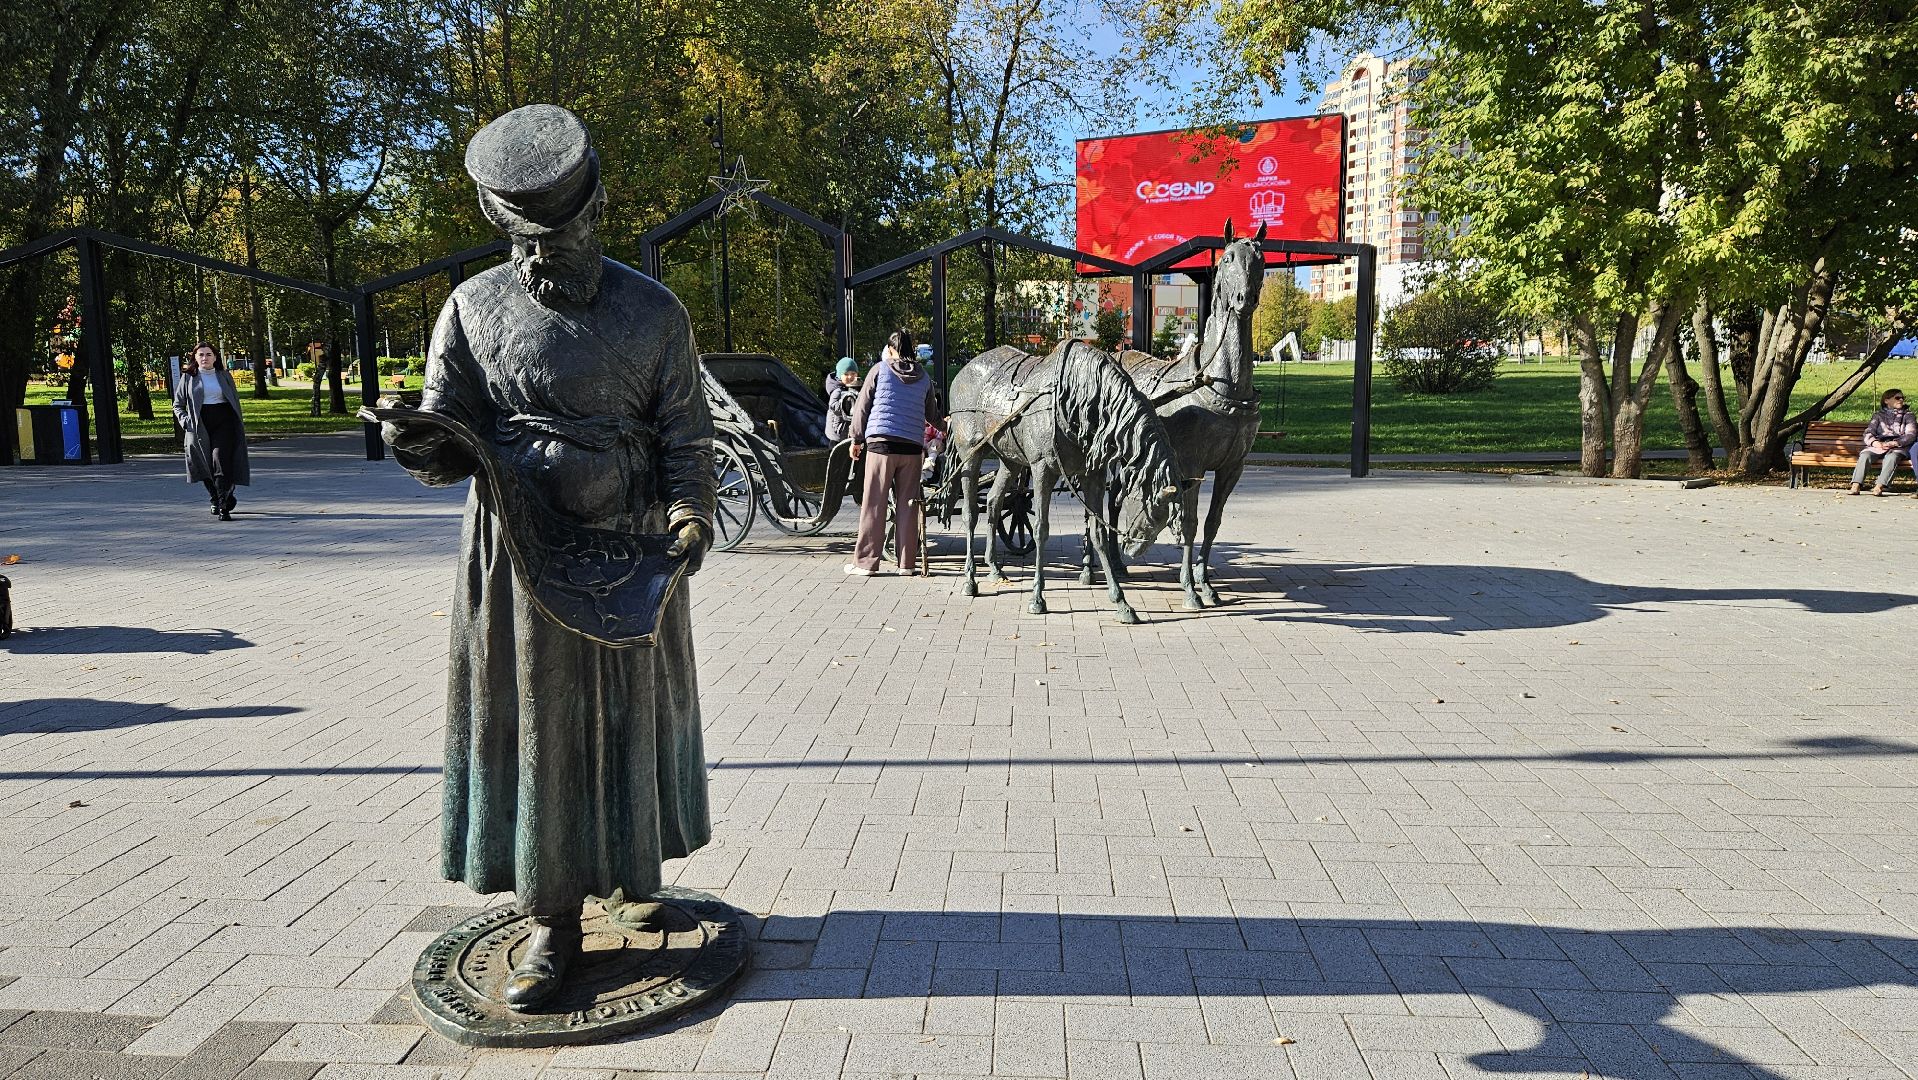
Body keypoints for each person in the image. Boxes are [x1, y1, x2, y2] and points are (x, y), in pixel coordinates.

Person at [379, 104, 716, 1009]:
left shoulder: (653, 312)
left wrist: (690, 514)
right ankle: (550, 916)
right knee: (542, 723)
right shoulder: (471, 308)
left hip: (630, 547)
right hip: (519, 558)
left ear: (596, 209)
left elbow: (686, 433)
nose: (541, 255)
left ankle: (628, 869)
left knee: (629, 712)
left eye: (558, 235)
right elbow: (447, 434)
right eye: (526, 239)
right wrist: (419, 445)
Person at [847, 329, 938, 576]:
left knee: (874, 503)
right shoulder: (924, 377)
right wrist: (946, 426)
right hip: (912, 448)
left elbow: (862, 407)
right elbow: (932, 415)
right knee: (908, 505)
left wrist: (856, 439)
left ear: (890, 349)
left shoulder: (880, 369)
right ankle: (907, 564)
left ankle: (866, 563)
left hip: (882, 446)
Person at [171, 342, 250, 520]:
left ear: (215, 357)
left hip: (224, 422)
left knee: (219, 459)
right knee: (204, 464)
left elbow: (234, 401)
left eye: (208, 354)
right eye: (201, 354)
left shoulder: (224, 375)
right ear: (195, 358)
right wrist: (186, 421)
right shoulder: (188, 378)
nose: (204, 358)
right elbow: (178, 405)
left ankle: (223, 506)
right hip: (199, 424)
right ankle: (217, 496)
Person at [1849, 388, 1914, 496]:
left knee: (1892, 457)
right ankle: (1856, 485)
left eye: (1903, 398)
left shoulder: (1908, 415)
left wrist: (1895, 443)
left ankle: (1879, 486)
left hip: (1898, 446)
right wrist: (1875, 443)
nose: (1901, 400)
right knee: (1865, 455)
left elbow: (1911, 435)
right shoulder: (1878, 415)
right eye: (1897, 398)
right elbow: (1869, 432)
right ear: (1886, 400)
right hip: (1879, 444)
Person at [824, 356, 859, 442]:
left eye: (853, 373)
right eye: (846, 374)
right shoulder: (837, 390)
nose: (850, 377)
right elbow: (833, 405)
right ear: (840, 376)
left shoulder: (856, 388)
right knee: (836, 449)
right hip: (837, 432)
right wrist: (847, 404)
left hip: (847, 430)